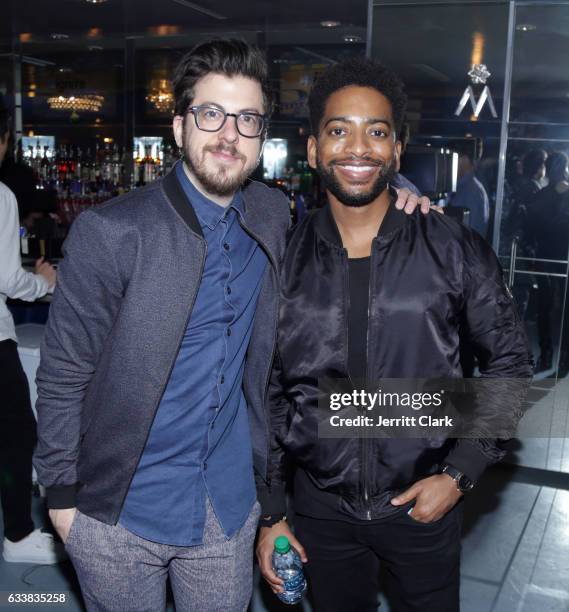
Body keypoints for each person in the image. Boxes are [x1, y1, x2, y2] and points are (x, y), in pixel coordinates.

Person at [32, 40, 428, 612]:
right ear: (179, 127)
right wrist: (63, 502)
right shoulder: (112, 233)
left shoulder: (271, 213)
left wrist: (408, 202)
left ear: (262, 134)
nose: (228, 135)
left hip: (226, 509)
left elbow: (349, 219)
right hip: (116, 512)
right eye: (210, 114)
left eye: (246, 119)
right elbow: (63, 373)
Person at [256, 58, 533, 612]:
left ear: (396, 151)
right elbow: (270, 392)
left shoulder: (450, 245)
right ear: (312, 150)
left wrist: (460, 473)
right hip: (320, 514)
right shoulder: (281, 257)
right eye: (339, 130)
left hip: (422, 505)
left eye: (376, 132)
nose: (358, 148)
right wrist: (273, 511)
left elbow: (509, 365)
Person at [0, 107, 62, 564]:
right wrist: (45, 284)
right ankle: (19, 536)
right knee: (19, 434)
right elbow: (7, 279)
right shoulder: (1, 196)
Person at [525, 151, 569, 371]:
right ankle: (565, 356)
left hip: (544, 255)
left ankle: (546, 353)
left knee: (544, 306)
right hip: (565, 257)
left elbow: (530, 229)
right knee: (566, 309)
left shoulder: (541, 196)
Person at [448, 139, 490, 239]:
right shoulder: (457, 187)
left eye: (454, 158)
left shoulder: (475, 192)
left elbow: (472, 234)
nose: (451, 162)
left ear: (465, 160)